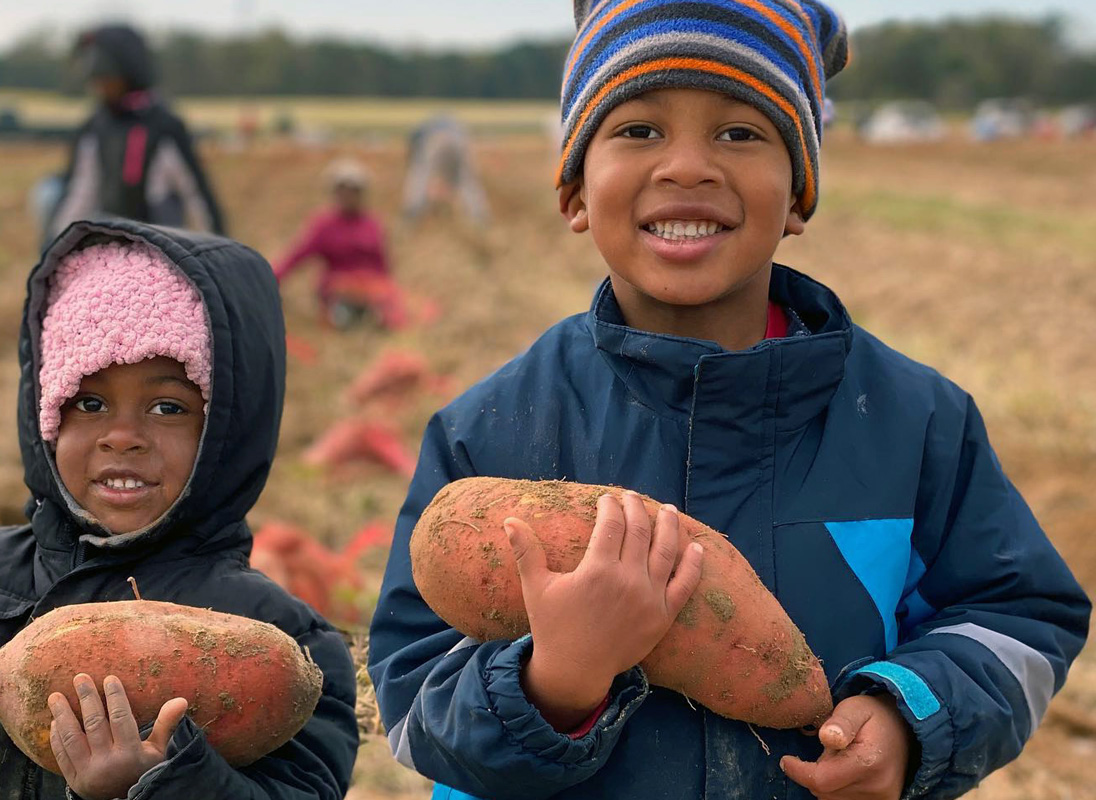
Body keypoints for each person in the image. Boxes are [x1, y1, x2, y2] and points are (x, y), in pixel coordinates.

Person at [368, 3, 1091, 800]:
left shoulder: (916, 422)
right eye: (639, 130)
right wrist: (558, 681)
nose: (687, 167)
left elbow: (1020, 614)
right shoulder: (490, 429)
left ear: (798, 199)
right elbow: (412, 699)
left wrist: (912, 718)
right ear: (575, 192)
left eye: (739, 133)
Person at [0, 219, 358, 799]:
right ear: (46, 419)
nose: (122, 436)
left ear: (226, 434)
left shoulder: (280, 639)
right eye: (88, 402)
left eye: (167, 407)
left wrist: (149, 787)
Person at [46, 25, 225, 242]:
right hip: (108, 244)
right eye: (94, 80)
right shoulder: (93, 128)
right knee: (46, 193)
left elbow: (195, 196)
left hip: (161, 246)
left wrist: (217, 254)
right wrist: (52, 251)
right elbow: (78, 194)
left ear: (128, 71)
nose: (98, 86)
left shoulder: (163, 126)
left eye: (105, 77)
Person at [272, 158, 402, 330]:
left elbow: (382, 263)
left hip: (371, 290)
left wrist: (387, 290)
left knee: (390, 317)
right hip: (338, 292)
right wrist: (270, 280)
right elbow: (295, 256)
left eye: (353, 191)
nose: (347, 197)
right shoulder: (323, 225)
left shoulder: (373, 224)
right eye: (342, 191)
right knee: (344, 319)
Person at [401, 116, 489, 227]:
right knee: (466, 181)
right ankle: (480, 217)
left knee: (420, 178)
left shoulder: (419, 133)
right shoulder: (453, 125)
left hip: (435, 140)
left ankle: (411, 215)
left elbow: (416, 162)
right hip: (458, 141)